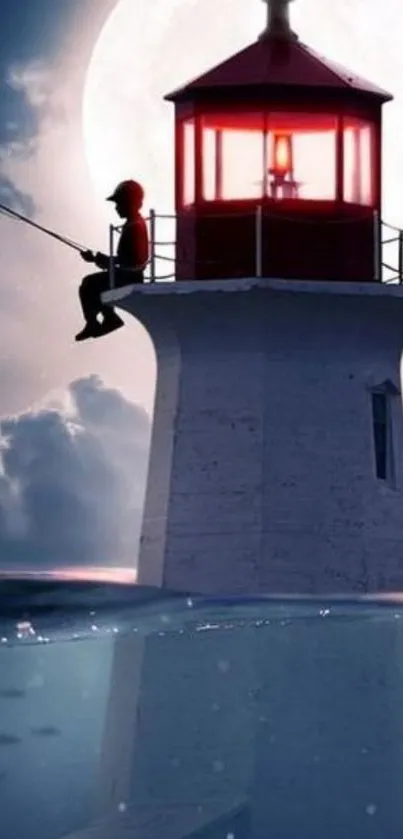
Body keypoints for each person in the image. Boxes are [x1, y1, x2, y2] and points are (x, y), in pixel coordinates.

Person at [75, 179, 149, 342]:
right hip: (129, 274)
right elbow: (128, 259)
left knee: (89, 284)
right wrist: (98, 259)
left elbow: (131, 259)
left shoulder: (134, 226)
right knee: (91, 284)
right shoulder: (134, 224)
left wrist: (101, 260)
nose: (116, 207)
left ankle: (101, 321)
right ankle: (104, 319)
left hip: (129, 276)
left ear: (128, 203)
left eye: (119, 203)